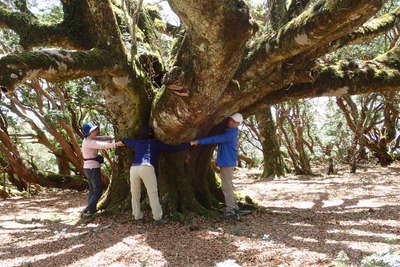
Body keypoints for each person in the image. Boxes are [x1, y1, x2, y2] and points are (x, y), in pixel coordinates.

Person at [117, 126, 190, 222]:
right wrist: (189, 144)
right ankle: (157, 217)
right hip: (147, 167)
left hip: (134, 168)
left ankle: (136, 215)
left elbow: (124, 141)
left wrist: (115, 143)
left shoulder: (136, 143)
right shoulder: (156, 143)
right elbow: (173, 148)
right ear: (152, 134)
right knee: (152, 193)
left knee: (135, 194)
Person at [190, 113, 246, 219]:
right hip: (227, 161)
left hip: (227, 162)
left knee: (226, 187)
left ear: (238, 124)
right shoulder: (230, 131)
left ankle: (231, 210)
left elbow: (215, 139)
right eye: (230, 120)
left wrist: (198, 141)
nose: (230, 122)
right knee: (228, 185)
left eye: (233, 121)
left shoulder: (230, 134)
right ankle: (234, 207)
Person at [81, 122, 123, 219]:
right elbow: (103, 145)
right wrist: (117, 144)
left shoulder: (88, 139)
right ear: (89, 132)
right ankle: (88, 210)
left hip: (88, 168)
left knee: (92, 190)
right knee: (98, 190)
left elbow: (100, 138)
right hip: (92, 168)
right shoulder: (89, 142)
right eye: (93, 130)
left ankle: (91, 210)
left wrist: (110, 137)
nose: (96, 131)